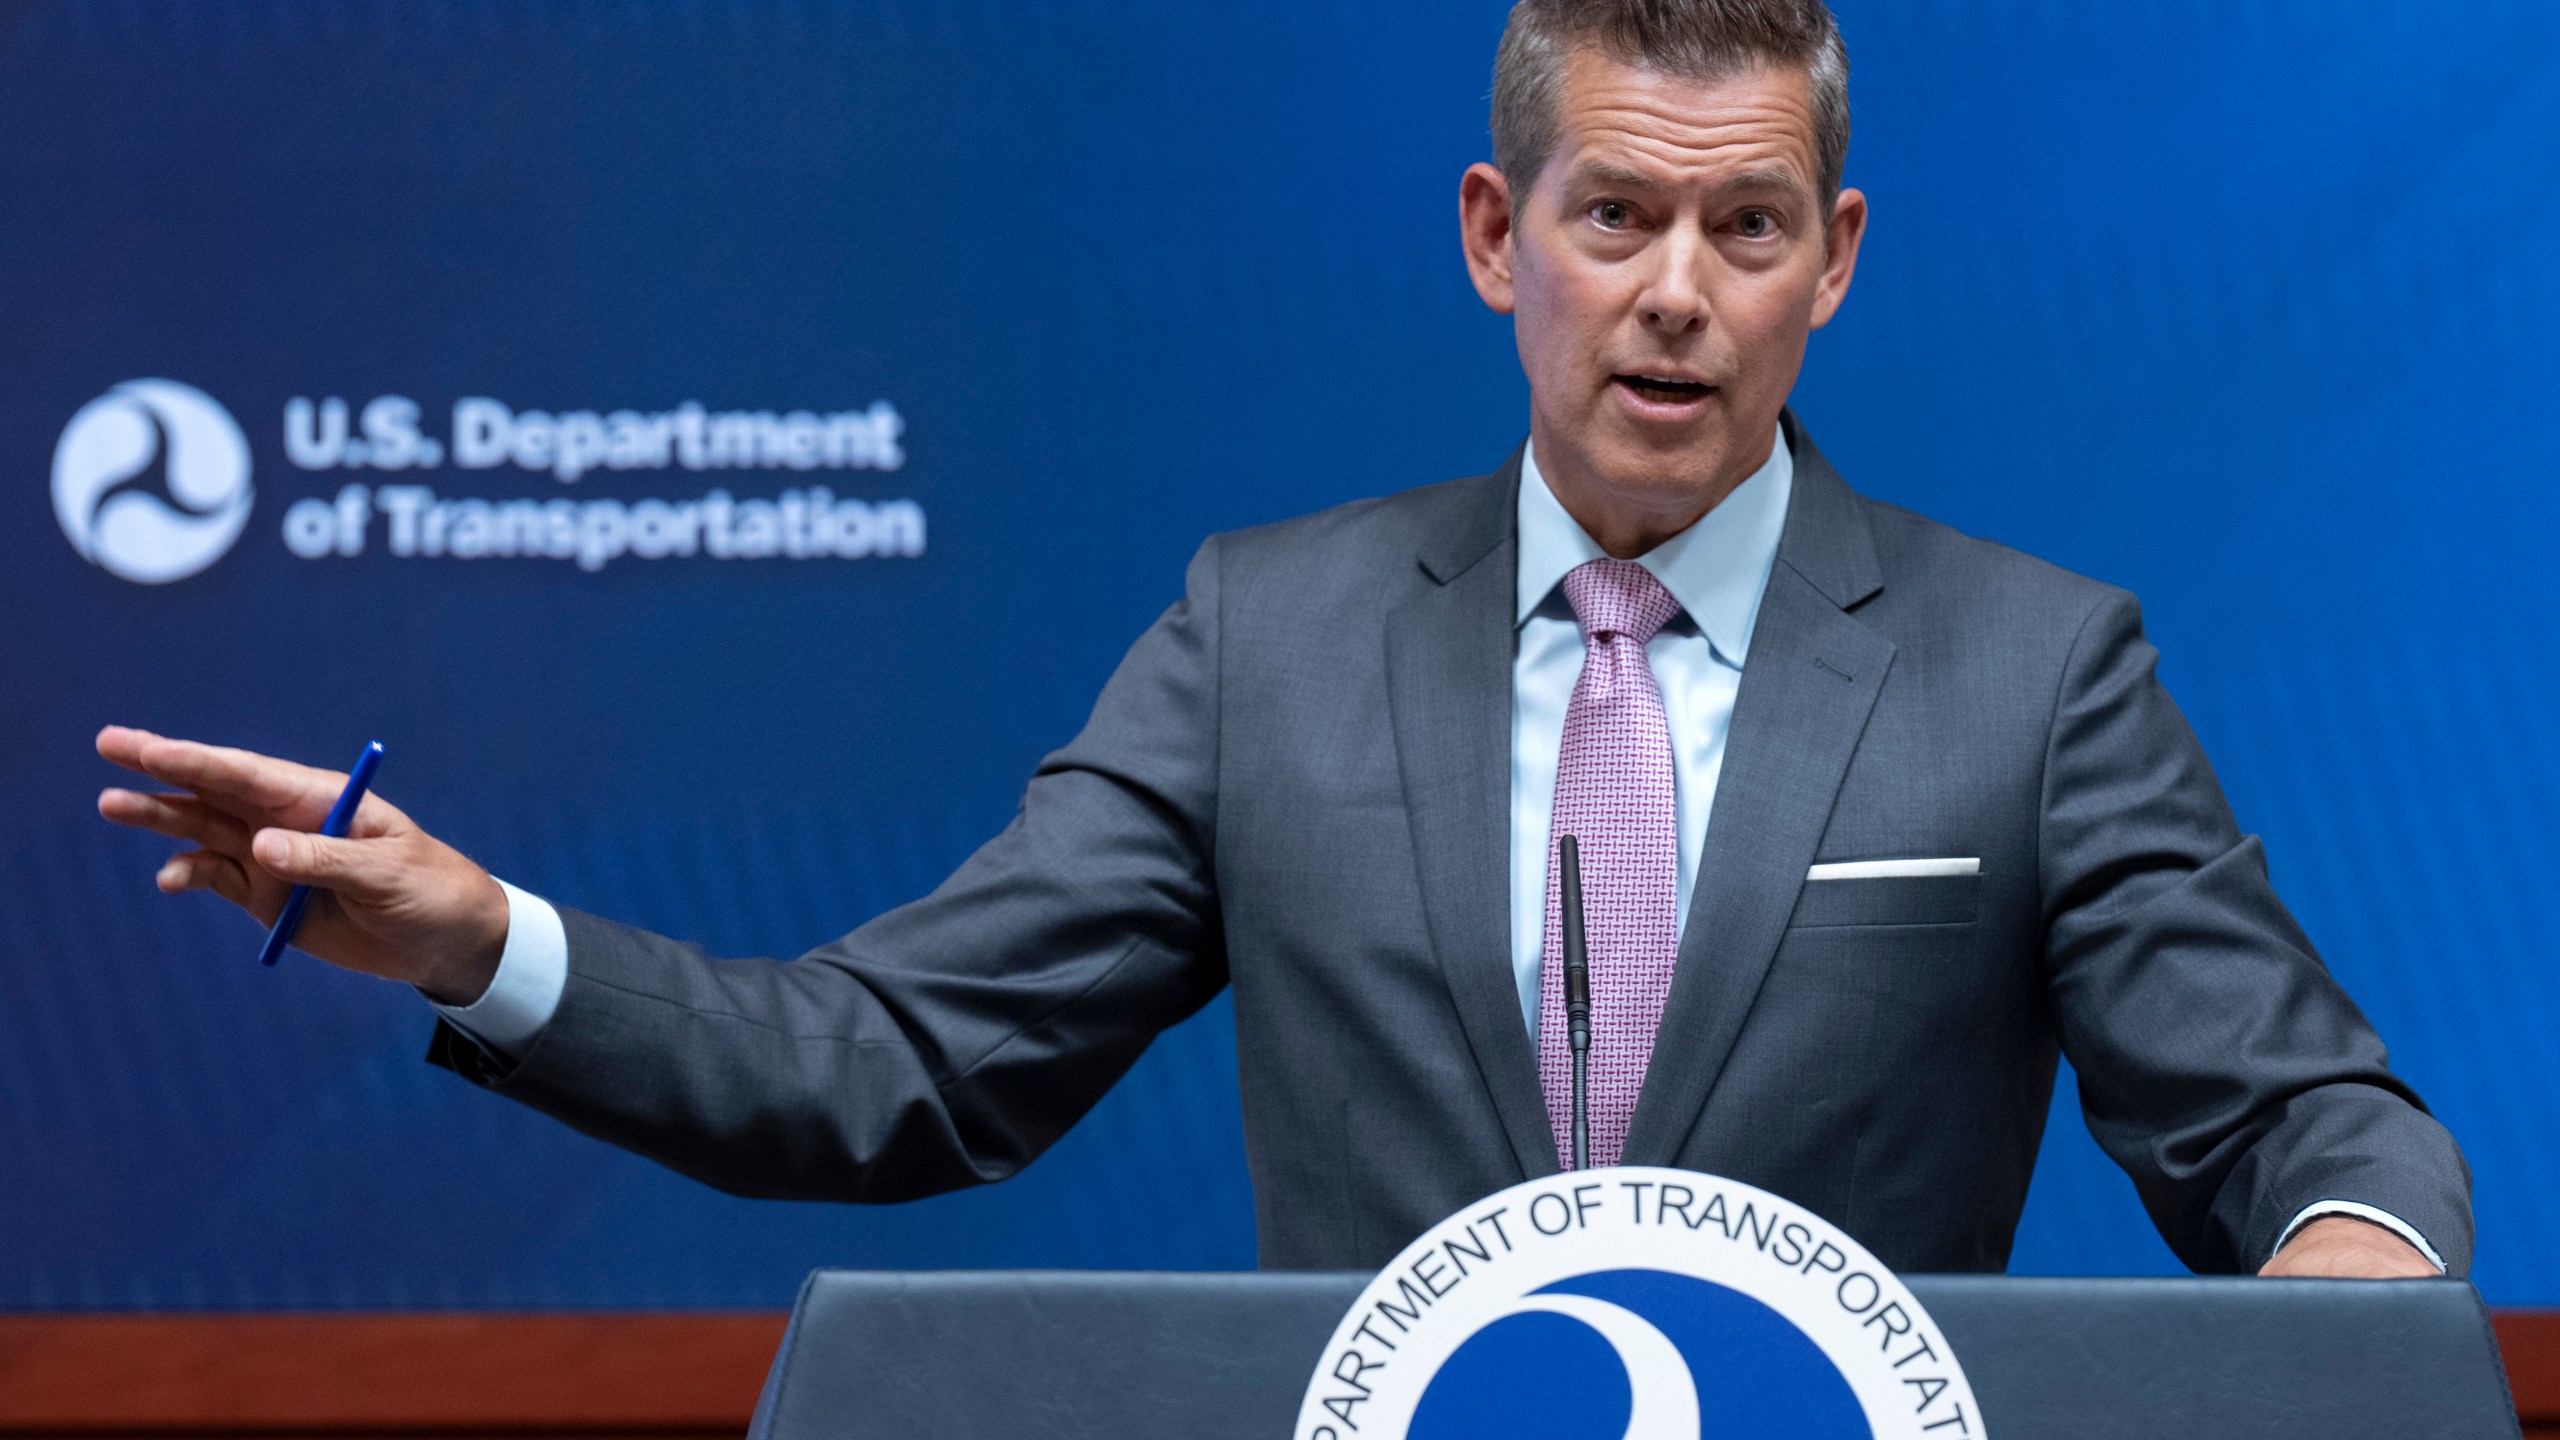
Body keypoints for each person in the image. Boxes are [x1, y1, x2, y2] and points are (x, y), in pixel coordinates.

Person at [96, 0, 2465, 1279]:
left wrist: (2345, 1279)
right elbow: (893, 1065)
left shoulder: (2030, 672)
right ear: (1491, 233)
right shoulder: (1270, 641)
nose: (1674, 292)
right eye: (1613, 216)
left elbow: (2298, 1119)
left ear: (1831, 259)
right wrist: (479, 940)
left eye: (1745, 227)